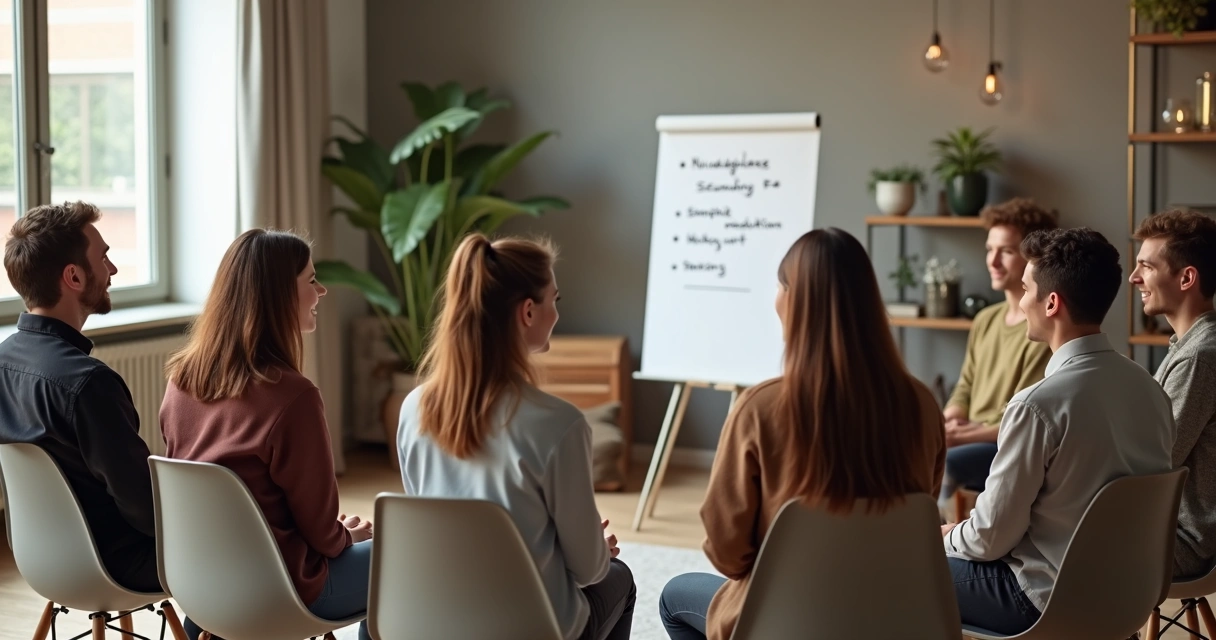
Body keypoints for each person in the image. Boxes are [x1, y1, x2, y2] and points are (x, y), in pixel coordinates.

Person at [659, 228, 946, 640]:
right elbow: (919, 512)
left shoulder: (760, 409)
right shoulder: (922, 404)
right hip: (893, 617)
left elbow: (727, 553)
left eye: (780, 284)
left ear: (795, 300)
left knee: (674, 597)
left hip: (783, 622)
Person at [397, 233, 636, 640]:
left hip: (437, 617)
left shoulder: (414, 407)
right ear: (528, 311)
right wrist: (595, 546)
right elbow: (587, 570)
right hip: (533, 628)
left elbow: (431, 523)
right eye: (554, 301)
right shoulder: (560, 425)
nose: (557, 314)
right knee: (619, 578)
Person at [943, 228, 1174, 634]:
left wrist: (943, 534)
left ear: (1051, 303)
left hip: (1042, 600)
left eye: (1027, 288)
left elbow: (989, 539)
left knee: (901, 562)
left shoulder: (1037, 404)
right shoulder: (1149, 390)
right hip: (1128, 597)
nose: (1022, 297)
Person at [160, 229, 372, 640]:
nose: (322, 290)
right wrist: (347, 536)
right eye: (311, 281)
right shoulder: (294, 398)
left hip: (203, 585)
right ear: (279, 296)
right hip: (281, 590)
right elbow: (323, 535)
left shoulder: (180, 381)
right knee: (400, 562)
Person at [0, 201, 160, 592]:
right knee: (239, 552)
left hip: (39, 559)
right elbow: (144, 510)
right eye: (104, 257)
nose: (113, 270)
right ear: (73, 276)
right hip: (115, 563)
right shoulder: (89, 383)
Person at [940, 198, 1057, 514]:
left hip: (1005, 446)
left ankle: (928, 548)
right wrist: (950, 418)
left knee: (940, 463)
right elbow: (964, 385)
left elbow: (1024, 418)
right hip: (971, 435)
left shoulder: (1043, 327)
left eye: (1005, 251)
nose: (993, 261)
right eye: (990, 249)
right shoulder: (985, 320)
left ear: (1032, 257)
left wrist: (961, 436)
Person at [1131, 209, 1216, 579]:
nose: (1135, 278)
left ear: (1186, 278)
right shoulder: (1187, 346)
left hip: (1184, 540)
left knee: (1054, 542)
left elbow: (1156, 460)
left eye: (1146, 267)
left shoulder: (1200, 356)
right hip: (1169, 527)